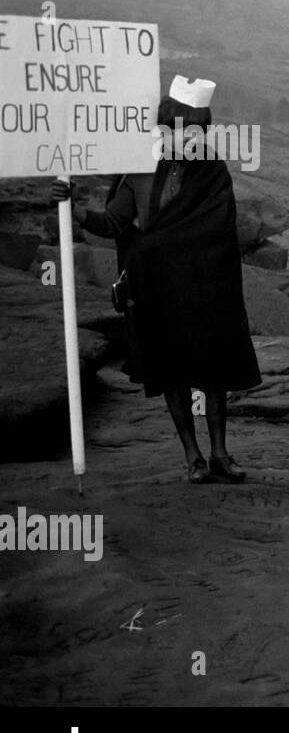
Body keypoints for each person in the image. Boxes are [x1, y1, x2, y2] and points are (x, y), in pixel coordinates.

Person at [49, 76, 261, 483]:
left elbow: (218, 229)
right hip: (158, 288)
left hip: (207, 286)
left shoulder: (213, 171)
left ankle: (220, 453)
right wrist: (73, 210)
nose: (189, 133)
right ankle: (193, 458)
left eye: (197, 126)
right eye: (182, 125)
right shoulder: (142, 168)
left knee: (213, 371)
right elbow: (113, 222)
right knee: (172, 372)